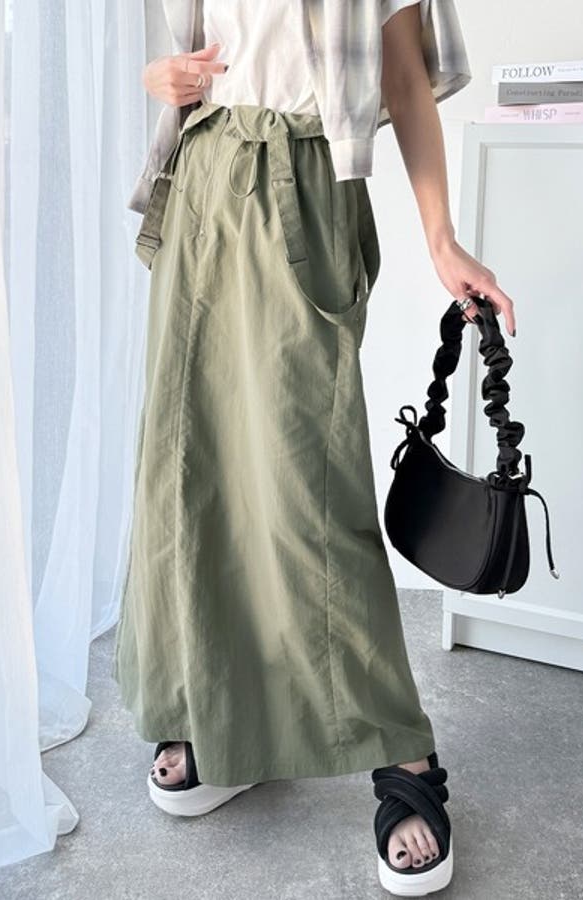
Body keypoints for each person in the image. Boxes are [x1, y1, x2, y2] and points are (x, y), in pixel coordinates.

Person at [113, 1, 517, 895]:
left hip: (301, 182)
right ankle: (223, 721)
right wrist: (158, 78)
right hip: (202, 177)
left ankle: (403, 753)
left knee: (310, 488)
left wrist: (441, 239)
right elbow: (183, 51)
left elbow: (403, 74)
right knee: (191, 469)